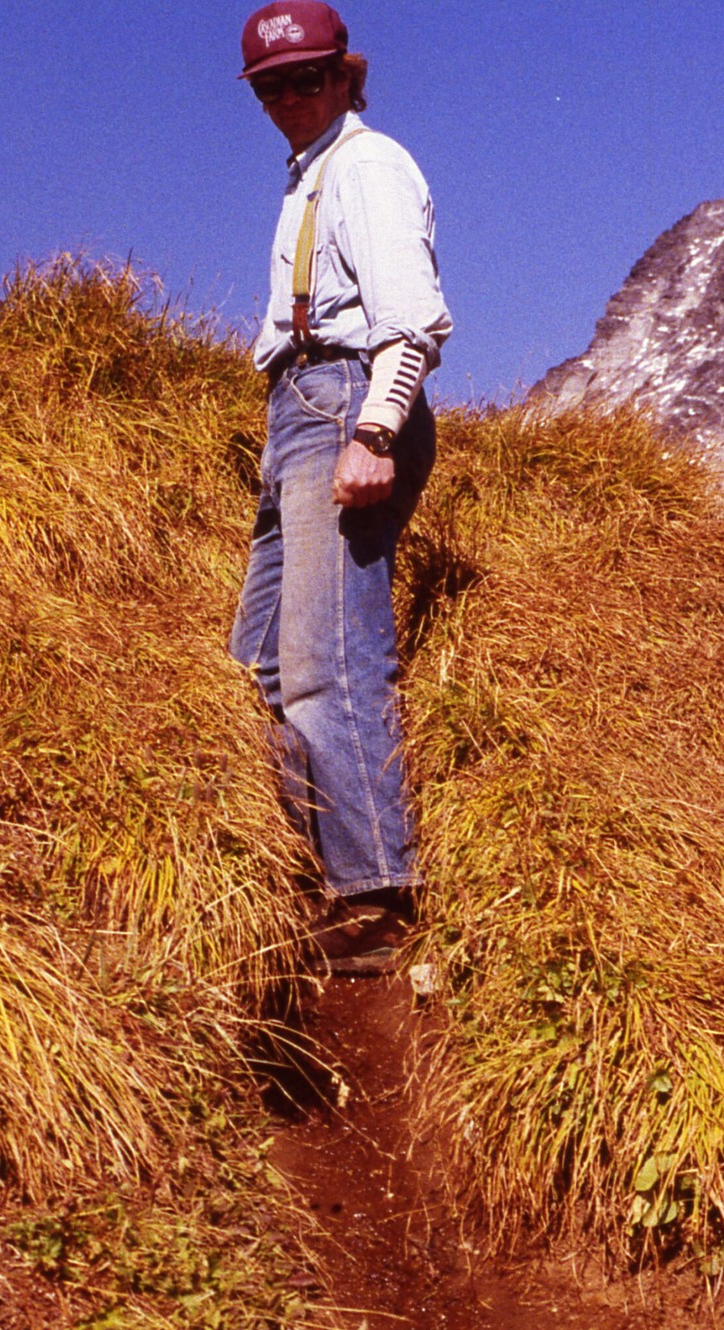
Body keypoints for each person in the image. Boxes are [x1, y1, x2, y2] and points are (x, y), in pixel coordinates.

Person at [229, 2, 452, 974]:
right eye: (272, 85)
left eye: (307, 78)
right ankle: (289, 873)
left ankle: (377, 899)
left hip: (346, 401)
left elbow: (416, 320)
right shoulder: (313, 174)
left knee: (328, 660)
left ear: (347, 76)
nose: (290, 98)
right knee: (253, 670)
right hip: (300, 407)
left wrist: (373, 431)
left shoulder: (366, 166)